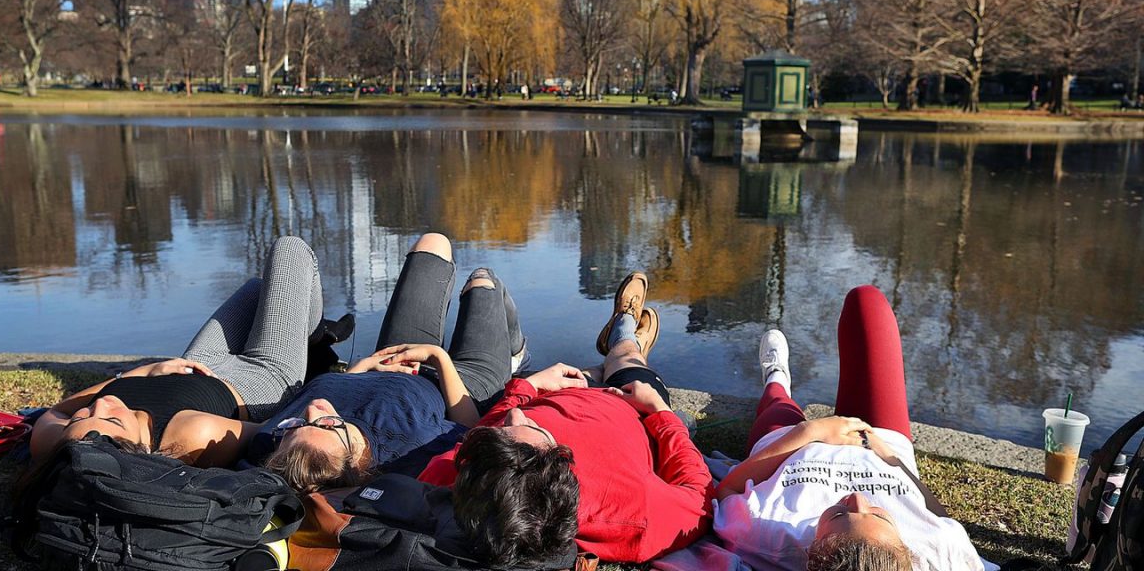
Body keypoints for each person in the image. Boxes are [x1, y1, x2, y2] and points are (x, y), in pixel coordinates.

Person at [417, 273, 713, 567]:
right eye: (533, 427)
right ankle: (625, 331)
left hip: (559, 390)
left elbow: (487, 430)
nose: (515, 414)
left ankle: (616, 351)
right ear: (563, 461)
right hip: (630, 402)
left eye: (504, 428)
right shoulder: (634, 516)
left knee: (591, 372)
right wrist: (661, 412)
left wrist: (529, 386)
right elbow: (698, 496)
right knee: (625, 359)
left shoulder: (459, 477)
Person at [712, 286, 987, 571]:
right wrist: (890, 457)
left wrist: (809, 432)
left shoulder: (765, 538)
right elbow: (936, 518)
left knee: (778, 405)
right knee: (867, 301)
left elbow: (727, 488)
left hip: (791, 448)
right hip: (878, 442)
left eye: (839, 515)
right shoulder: (940, 554)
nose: (857, 499)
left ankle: (776, 376)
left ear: (812, 553)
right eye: (879, 517)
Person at [248, 233, 529, 492]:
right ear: (356, 460)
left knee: (432, 244)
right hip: (461, 381)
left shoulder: (287, 440)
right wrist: (439, 358)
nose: (312, 410)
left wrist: (363, 367)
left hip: (389, 357)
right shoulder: (409, 448)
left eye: (298, 425)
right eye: (327, 424)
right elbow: (472, 429)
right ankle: (516, 350)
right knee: (482, 283)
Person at [27, 236, 324, 466]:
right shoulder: (188, 437)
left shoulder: (59, 445)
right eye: (113, 419)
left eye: (81, 417)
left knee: (258, 288)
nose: (102, 404)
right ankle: (314, 337)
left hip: (195, 364)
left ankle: (303, 333)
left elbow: (55, 411)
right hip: (258, 379)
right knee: (290, 251)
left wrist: (145, 372)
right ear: (140, 450)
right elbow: (272, 432)